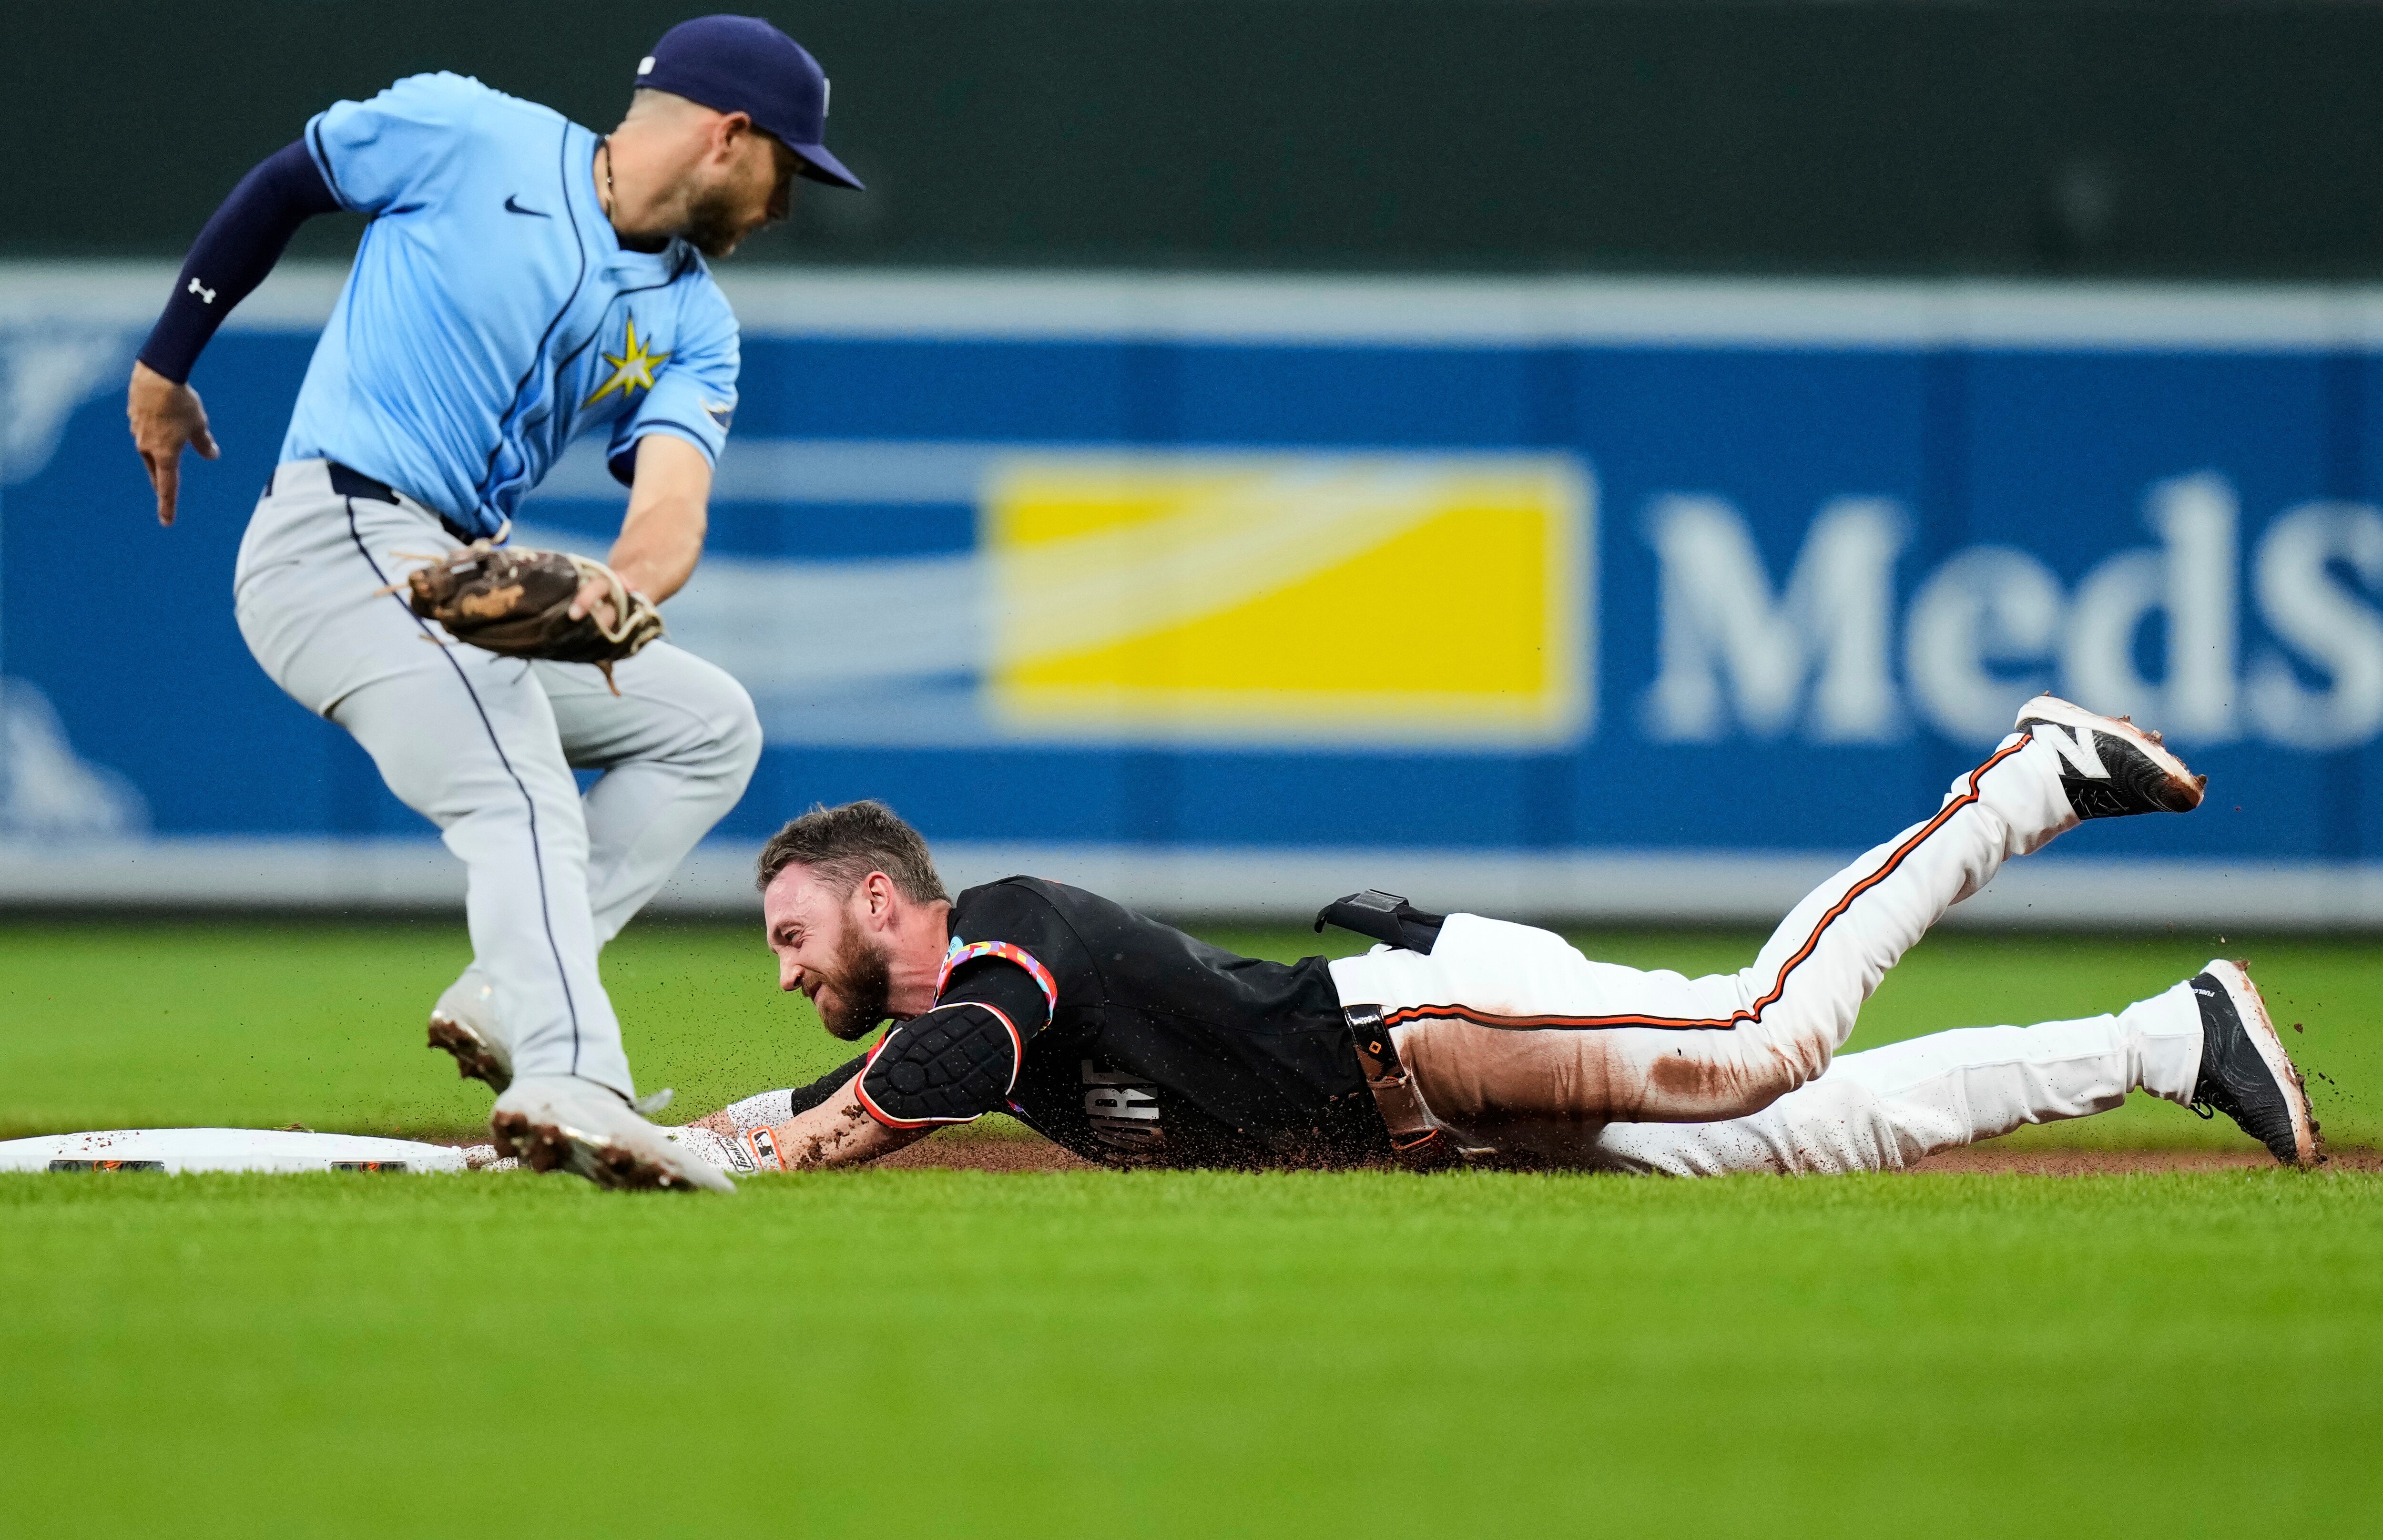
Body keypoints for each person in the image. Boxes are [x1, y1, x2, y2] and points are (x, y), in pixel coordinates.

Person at [122, 16, 867, 1192]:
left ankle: (509, 994)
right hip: (338, 540)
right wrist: (167, 364)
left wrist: (619, 589)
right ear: (732, 135)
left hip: (462, 574)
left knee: (707, 724)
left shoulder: (694, 323)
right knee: (519, 781)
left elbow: (670, 512)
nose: (784, 206)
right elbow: (287, 183)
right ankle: (572, 1075)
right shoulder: (469, 132)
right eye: (791, 168)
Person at [668, 696, 2321, 1176]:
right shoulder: (954, 1022)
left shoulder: (1002, 937)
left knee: (1763, 1038)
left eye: (791, 925)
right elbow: (877, 1082)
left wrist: (800, 1142)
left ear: (881, 895)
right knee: (1831, 1131)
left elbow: (942, 1061)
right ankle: (2171, 1036)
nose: (784, 959)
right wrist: (674, 1141)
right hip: (1461, 1122)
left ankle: (2033, 777)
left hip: (1429, 1038)